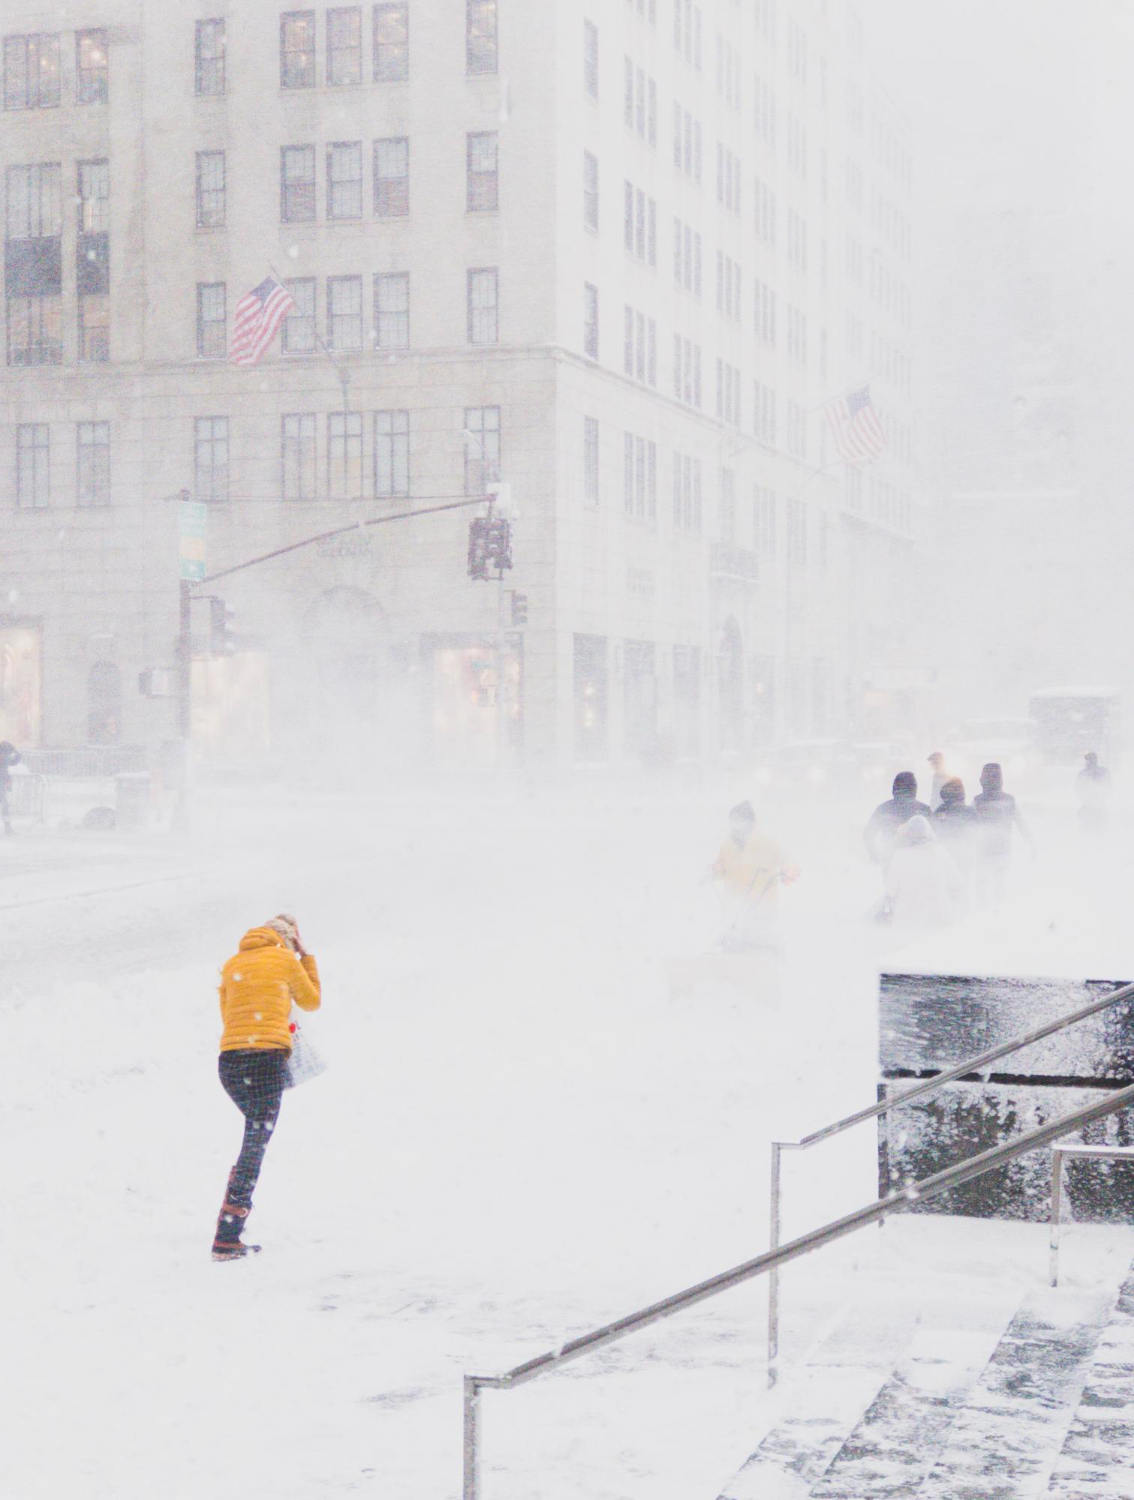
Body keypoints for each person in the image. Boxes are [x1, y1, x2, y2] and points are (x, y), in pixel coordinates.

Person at [213, 913, 321, 1261]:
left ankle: (231, 1220)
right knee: (255, 1144)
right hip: (265, 1061)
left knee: (254, 1137)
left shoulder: (232, 965)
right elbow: (311, 1001)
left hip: (230, 1064)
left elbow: (228, 1016)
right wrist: (306, 957)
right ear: (289, 941)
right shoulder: (286, 959)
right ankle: (227, 1237)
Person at [711, 801, 799, 949]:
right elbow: (722, 868)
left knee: (758, 939)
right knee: (731, 939)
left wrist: (788, 873)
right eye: (733, 820)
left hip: (762, 902)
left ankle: (767, 963)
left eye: (740, 820)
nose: (736, 825)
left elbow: (788, 861)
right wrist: (713, 872)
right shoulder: (727, 846)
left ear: (750, 823)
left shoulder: (766, 843)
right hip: (734, 905)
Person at [885, 815, 965, 929]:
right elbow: (958, 883)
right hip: (939, 920)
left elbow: (891, 890)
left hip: (907, 921)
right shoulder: (941, 852)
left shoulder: (900, 855)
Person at [972, 762, 1034, 905]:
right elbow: (1021, 823)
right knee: (999, 884)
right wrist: (1031, 843)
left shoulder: (977, 801)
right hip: (1003, 849)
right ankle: (997, 910)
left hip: (983, 850)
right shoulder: (1010, 800)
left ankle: (983, 912)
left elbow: (968, 824)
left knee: (982, 883)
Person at [864, 772, 932, 869]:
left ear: (894, 787)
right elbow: (938, 835)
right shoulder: (924, 810)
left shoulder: (883, 809)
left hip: (891, 860)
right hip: (919, 862)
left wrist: (875, 855)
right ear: (914, 788)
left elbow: (868, 834)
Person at [932, 778, 980, 877]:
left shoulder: (941, 810)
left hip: (945, 854)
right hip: (965, 855)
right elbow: (976, 833)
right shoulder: (970, 812)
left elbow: (933, 830)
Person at [1076, 751, 1112, 834]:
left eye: (1088, 760)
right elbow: (1109, 786)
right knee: (1098, 828)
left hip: (1090, 805)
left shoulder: (1083, 773)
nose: (1087, 762)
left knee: (1087, 827)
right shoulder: (1104, 771)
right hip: (1097, 805)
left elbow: (1078, 788)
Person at [0, 741, 21, 834]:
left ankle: (7, 826)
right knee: (5, 805)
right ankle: (7, 826)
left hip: (2, 782)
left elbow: (15, 761)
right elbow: (14, 761)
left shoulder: (4, 754)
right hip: (2, 781)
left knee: (5, 805)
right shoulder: (4, 756)